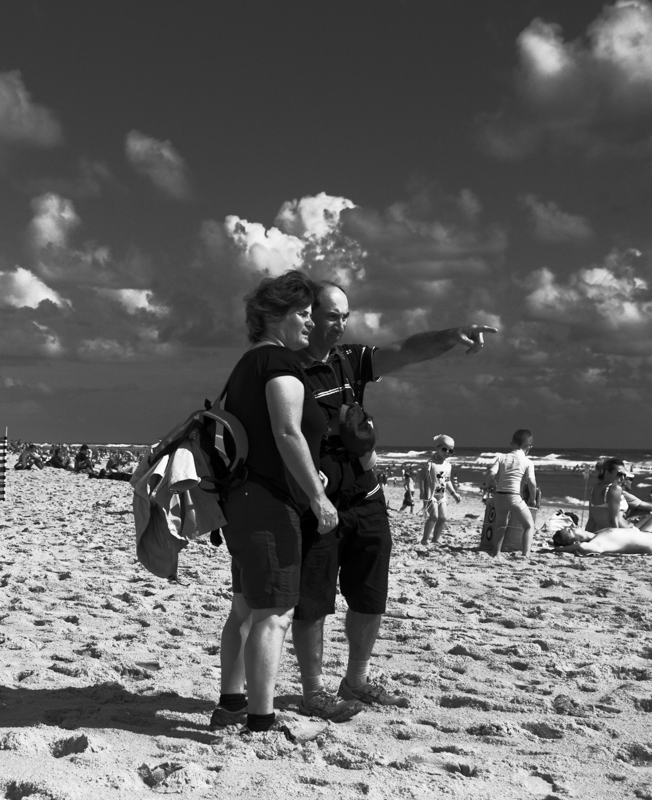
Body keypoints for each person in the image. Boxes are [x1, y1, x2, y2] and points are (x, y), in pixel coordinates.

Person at [290, 280, 496, 719]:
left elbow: (403, 349)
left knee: (370, 594)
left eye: (345, 317)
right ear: (308, 314)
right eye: (332, 316)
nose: (340, 325)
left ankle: (356, 680)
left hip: (365, 497)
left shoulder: (350, 360)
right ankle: (312, 692)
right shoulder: (286, 370)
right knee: (314, 601)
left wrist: (448, 336)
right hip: (317, 501)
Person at [211, 270, 338, 736]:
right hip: (268, 504)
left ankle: (230, 705)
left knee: (244, 611)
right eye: (302, 314)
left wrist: (307, 471)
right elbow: (286, 432)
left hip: (242, 499)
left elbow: (264, 438)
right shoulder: (280, 364)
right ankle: (262, 720)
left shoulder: (245, 365)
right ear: (273, 316)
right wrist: (318, 495)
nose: (310, 323)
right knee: (275, 614)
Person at [484, 429, 539, 557]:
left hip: (499, 496)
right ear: (529, 447)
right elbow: (532, 482)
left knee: (501, 525)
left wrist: (489, 485)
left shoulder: (502, 457)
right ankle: (525, 554)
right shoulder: (527, 462)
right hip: (513, 497)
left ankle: (496, 553)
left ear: (512, 443)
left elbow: (490, 473)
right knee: (529, 525)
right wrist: (532, 498)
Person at [420, 435, 461, 546]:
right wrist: (423, 494)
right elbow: (421, 478)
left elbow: (447, 481)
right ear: (437, 449)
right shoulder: (430, 464)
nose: (447, 452)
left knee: (442, 518)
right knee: (434, 517)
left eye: (450, 450)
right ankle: (425, 539)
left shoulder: (448, 466)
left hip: (441, 494)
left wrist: (454, 493)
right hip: (430, 494)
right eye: (444, 449)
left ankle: (435, 539)